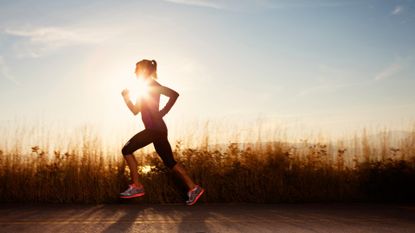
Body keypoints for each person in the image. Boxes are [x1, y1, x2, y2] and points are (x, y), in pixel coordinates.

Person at [120, 59, 204, 205]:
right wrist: (126, 98)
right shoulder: (144, 88)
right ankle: (193, 188)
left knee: (126, 150)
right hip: (157, 129)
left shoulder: (152, 85)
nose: (134, 72)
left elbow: (174, 94)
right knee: (170, 162)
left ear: (144, 70)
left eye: (137, 69)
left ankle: (137, 186)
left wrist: (162, 112)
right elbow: (135, 111)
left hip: (155, 129)